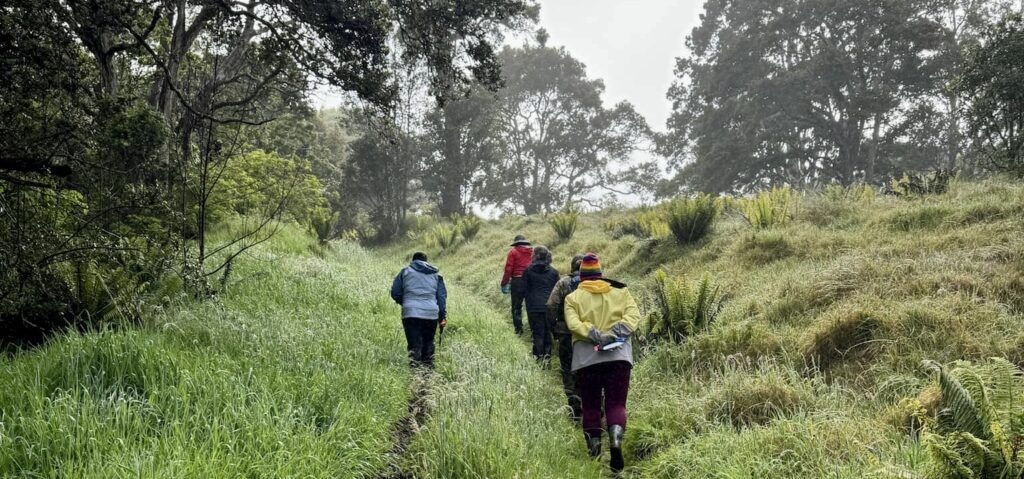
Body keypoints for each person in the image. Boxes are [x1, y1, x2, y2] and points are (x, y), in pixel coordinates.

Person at [564, 253, 641, 473]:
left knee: (590, 405)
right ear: (601, 274)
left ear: (581, 278)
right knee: (616, 405)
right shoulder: (621, 291)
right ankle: (616, 442)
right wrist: (616, 332)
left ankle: (595, 458)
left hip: (587, 359)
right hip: (619, 357)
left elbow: (573, 324)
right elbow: (633, 317)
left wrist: (595, 334)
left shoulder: (573, 298)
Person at [390, 252, 447, 368]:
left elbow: (395, 292)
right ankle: (428, 377)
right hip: (431, 314)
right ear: (426, 262)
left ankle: (415, 376)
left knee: (414, 345)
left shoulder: (405, 272)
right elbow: (441, 298)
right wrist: (442, 316)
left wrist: (406, 302)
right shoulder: (436, 275)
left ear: (413, 261)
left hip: (410, 313)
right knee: (429, 344)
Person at [546, 253, 585, 421]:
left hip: (566, 333)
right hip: (587, 335)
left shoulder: (563, 283)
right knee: (589, 369)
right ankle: (595, 408)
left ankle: (574, 409)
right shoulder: (593, 284)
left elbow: (550, 305)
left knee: (568, 369)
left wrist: (554, 327)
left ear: (572, 267)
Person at [522, 246, 560, 363]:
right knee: (547, 334)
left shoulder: (528, 271)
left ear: (536, 255)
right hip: (549, 307)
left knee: (537, 334)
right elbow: (557, 291)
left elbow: (524, 289)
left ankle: (538, 359)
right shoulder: (554, 272)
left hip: (534, 308)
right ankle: (547, 360)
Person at [500, 234, 533, 335]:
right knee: (531, 306)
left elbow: (508, 269)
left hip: (517, 281)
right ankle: (533, 330)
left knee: (516, 306)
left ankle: (518, 330)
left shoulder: (513, 252)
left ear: (516, 243)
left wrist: (504, 282)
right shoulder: (532, 252)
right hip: (530, 281)